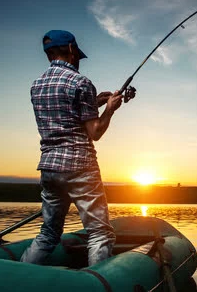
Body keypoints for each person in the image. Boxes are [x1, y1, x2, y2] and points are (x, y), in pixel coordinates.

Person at [20, 30, 123, 266]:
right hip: (80, 166)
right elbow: (95, 132)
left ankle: (19, 278)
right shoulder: (81, 82)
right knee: (99, 233)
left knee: (48, 234)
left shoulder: (36, 86)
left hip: (49, 167)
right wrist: (109, 109)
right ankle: (98, 281)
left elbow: (62, 114)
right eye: (76, 53)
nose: (77, 58)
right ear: (70, 50)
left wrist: (92, 102)